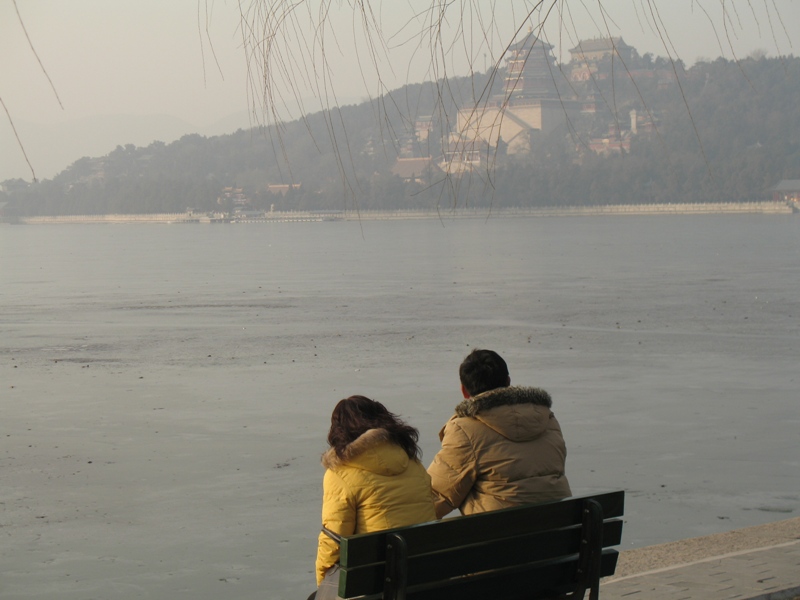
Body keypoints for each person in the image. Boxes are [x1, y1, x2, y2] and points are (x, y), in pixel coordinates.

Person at [312, 395, 435, 599]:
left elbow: (333, 541)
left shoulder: (341, 473)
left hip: (375, 586)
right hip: (423, 576)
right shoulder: (413, 463)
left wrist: (322, 585)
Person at [427, 349, 571, 519]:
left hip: (499, 539)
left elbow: (437, 497)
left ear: (464, 391)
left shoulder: (465, 430)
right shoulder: (547, 419)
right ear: (508, 381)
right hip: (560, 531)